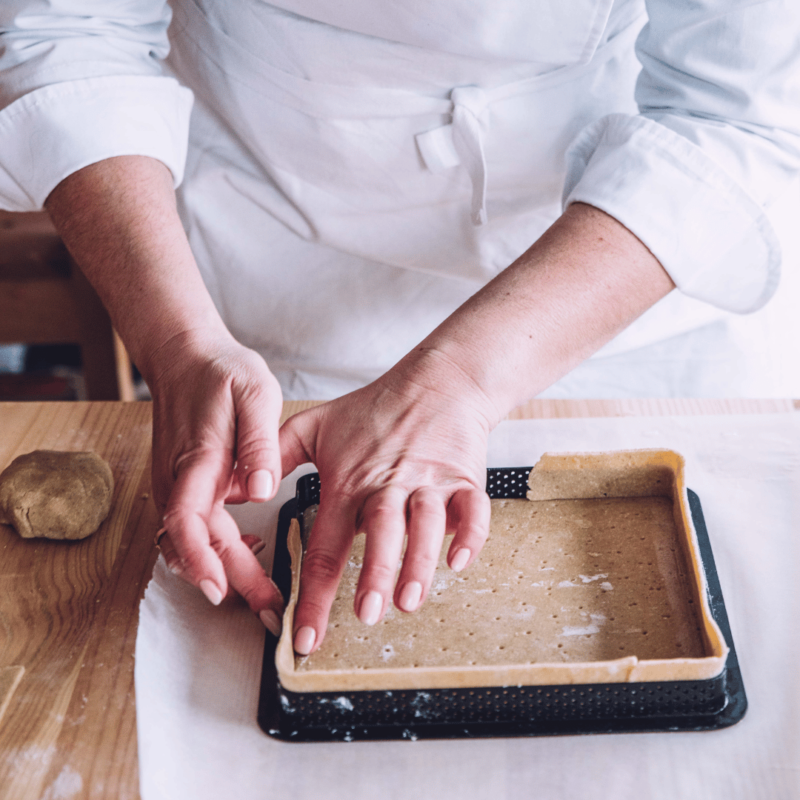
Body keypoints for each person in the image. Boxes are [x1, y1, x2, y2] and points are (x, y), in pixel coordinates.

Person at [1, 0, 798, 656]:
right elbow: (68, 31)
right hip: (294, 298)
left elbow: (740, 117)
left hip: (641, 287)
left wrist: (459, 378)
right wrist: (177, 343)